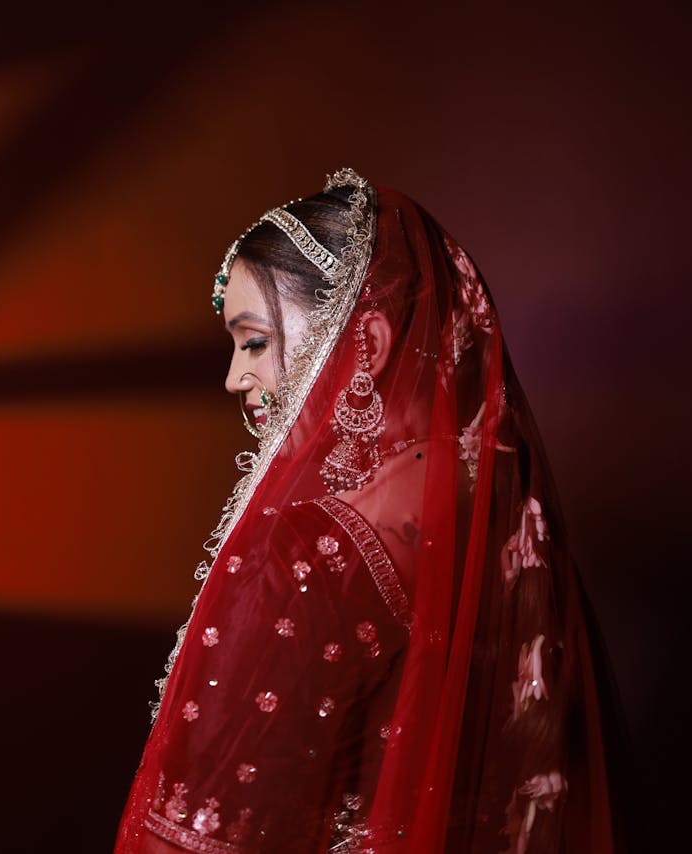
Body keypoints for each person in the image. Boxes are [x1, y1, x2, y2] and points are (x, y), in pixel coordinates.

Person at [114, 169, 622, 852]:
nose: (235, 377)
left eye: (255, 341)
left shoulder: (312, 549)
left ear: (367, 344)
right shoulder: (502, 510)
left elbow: (202, 832)